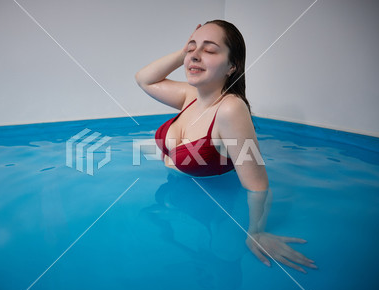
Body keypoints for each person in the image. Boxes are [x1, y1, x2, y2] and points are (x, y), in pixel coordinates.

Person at [135, 20, 317, 273]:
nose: (196, 56)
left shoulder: (230, 109)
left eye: (209, 50)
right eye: (192, 49)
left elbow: (258, 186)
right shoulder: (190, 96)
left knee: (224, 253)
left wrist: (256, 232)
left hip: (216, 198)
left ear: (232, 66)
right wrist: (186, 52)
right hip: (179, 190)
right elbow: (144, 79)